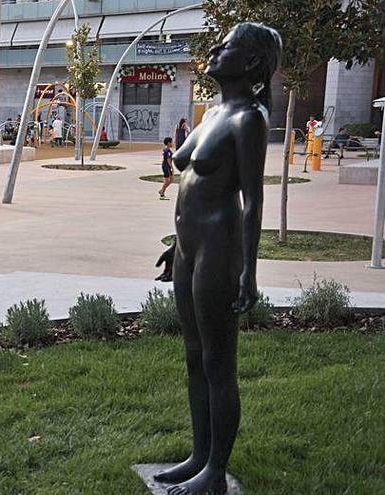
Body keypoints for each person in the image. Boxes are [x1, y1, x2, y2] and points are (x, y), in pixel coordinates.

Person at [152, 23, 280, 495]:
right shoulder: (210, 113)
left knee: (217, 361)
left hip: (219, 250)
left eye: (225, 47)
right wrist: (175, 243)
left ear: (249, 64)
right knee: (193, 357)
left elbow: (253, 200)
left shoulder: (250, 119)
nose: (214, 51)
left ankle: (216, 472)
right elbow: (190, 181)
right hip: (188, 248)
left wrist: (249, 269)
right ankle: (199, 455)